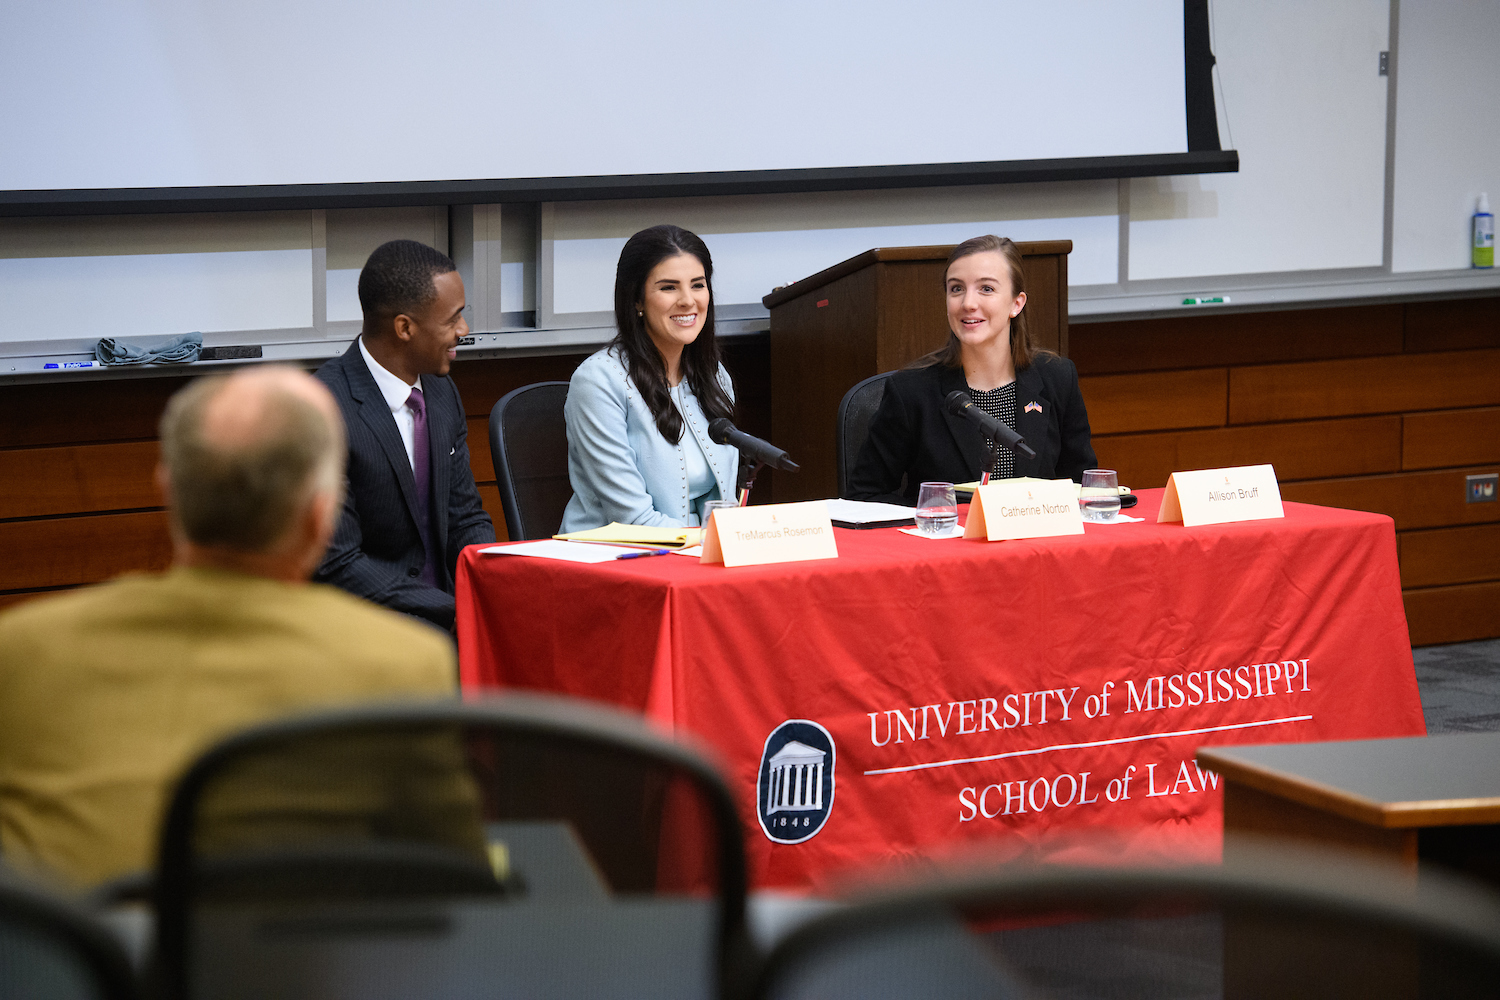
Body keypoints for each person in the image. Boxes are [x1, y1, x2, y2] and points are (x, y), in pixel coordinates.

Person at [0, 367, 458, 888]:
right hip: (291, 939)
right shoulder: (403, 665)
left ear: (168, 490)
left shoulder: (21, 650)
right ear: (320, 518)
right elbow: (450, 876)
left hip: (83, 939)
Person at [315, 239, 494, 630]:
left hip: (449, 614)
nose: (463, 330)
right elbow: (339, 563)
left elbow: (465, 518)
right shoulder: (323, 410)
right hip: (369, 627)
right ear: (404, 328)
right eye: (452, 319)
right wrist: (452, 609)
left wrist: (497, 584)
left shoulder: (441, 391)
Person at [847, 235, 1096, 504]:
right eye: (956, 289)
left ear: (1016, 303)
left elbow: (1083, 488)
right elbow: (865, 496)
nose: (967, 303)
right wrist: (938, 513)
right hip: (947, 531)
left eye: (986, 289)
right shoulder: (911, 391)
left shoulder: (1057, 378)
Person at [560, 225, 740, 531]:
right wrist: (706, 544)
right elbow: (634, 519)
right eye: (669, 288)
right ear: (637, 300)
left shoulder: (714, 376)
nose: (688, 300)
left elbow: (723, 508)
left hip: (694, 550)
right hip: (619, 551)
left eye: (698, 285)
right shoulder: (598, 381)